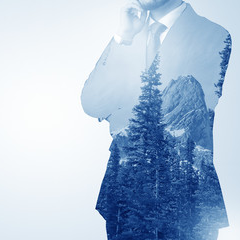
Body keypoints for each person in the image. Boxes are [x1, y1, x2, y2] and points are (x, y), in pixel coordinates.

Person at [80, 0, 232, 239]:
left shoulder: (213, 35)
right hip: (125, 196)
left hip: (184, 198)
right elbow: (92, 102)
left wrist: (117, 107)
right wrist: (124, 37)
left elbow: (179, 113)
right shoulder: (131, 38)